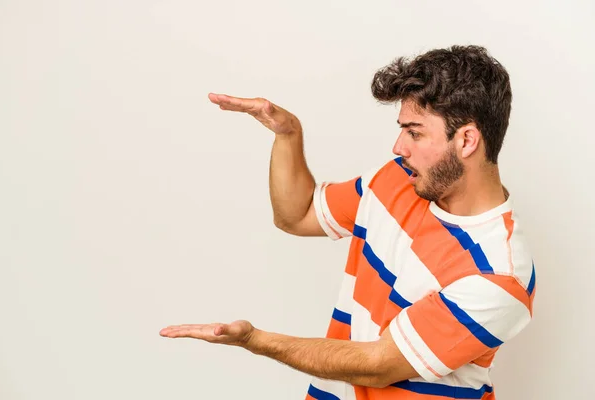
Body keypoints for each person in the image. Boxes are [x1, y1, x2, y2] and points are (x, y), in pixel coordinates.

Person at [159, 45, 536, 399]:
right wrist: (288, 134)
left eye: (414, 132)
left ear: (467, 140)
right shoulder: (396, 180)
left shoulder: (500, 273)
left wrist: (253, 340)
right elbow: (298, 214)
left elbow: (377, 365)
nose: (398, 147)